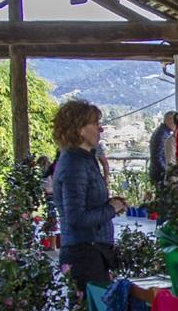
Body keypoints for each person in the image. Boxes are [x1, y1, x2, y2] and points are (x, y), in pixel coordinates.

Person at [51, 99, 127, 294]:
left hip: (92, 251)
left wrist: (110, 204)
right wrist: (112, 209)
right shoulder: (74, 164)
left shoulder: (84, 158)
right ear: (80, 129)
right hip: (84, 254)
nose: (99, 129)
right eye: (94, 124)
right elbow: (76, 217)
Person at [148, 111, 176, 187]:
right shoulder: (163, 135)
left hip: (157, 173)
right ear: (169, 120)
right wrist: (168, 172)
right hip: (160, 175)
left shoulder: (162, 131)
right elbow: (157, 158)